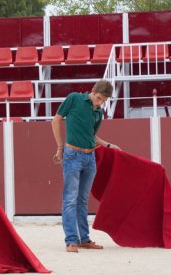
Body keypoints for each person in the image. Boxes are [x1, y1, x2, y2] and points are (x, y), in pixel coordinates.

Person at [52, 79, 121, 253]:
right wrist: (60, 147)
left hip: (90, 157)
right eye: (98, 98)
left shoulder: (98, 113)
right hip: (72, 155)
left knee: (82, 200)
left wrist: (109, 145)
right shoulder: (74, 98)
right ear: (93, 91)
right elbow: (56, 120)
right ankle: (71, 240)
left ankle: (84, 239)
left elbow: (93, 136)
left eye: (103, 100)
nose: (100, 103)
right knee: (70, 199)